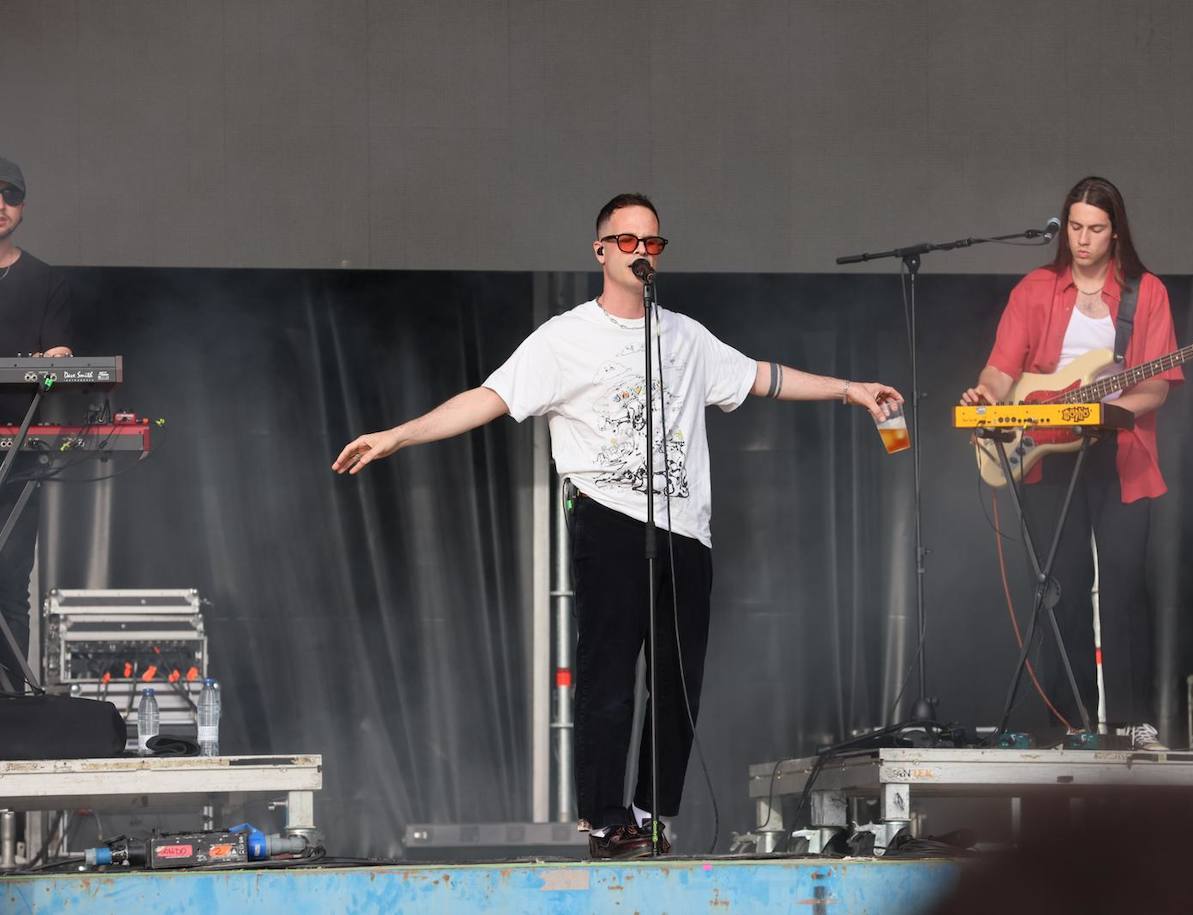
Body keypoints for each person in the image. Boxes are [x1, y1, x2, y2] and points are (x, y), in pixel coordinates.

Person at [334, 192, 903, 857]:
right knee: (608, 677)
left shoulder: (685, 337)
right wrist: (400, 436)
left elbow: (761, 377)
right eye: (627, 239)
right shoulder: (565, 338)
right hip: (608, 519)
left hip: (686, 532)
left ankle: (652, 813)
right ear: (600, 249)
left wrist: (851, 389)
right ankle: (606, 818)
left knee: (677, 685)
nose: (641, 251)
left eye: (652, 242)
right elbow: (491, 397)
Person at [960, 176, 1181, 751]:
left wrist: (1109, 411)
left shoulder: (1144, 293)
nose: (1083, 240)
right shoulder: (1037, 289)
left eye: (1096, 229)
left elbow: (1156, 388)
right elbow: (1001, 369)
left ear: (1116, 232)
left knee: (1124, 588)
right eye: (1077, 227)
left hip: (1122, 457)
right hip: (1047, 455)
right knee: (1064, 587)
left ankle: (1134, 724)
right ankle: (1076, 721)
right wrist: (985, 394)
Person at [0, 154, 73, 691]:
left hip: (16, 451)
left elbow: (59, 352)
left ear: (22, 208)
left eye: (10, 196)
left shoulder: (44, 279)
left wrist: (61, 359)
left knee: (8, 581)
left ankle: (9, 702)